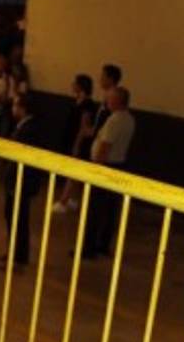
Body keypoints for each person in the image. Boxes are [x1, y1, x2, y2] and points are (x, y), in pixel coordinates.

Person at [56, 63, 121, 214]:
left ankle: (64, 200)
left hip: (95, 142)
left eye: (103, 76)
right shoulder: (103, 100)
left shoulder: (99, 103)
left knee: (76, 170)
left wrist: (88, 134)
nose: (100, 79)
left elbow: (95, 124)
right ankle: (73, 200)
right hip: (91, 138)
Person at [82, 86, 136, 258]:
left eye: (110, 98)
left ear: (118, 101)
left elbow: (105, 146)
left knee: (95, 209)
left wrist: (96, 168)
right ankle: (103, 244)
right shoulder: (129, 119)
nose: (107, 101)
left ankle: (88, 248)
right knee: (110, 209)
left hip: (105, 166)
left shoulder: (115, 120)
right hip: (119, 165)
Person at [0, 94, 46, 268]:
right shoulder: (27, 127)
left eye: (15, 105)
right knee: (14, 217)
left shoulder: (28, 129)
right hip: (19, 180)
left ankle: (18, 255)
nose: (13, 109)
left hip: (20, 181)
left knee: (17, 218)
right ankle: (16, 252)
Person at [52, 74, 99, 211]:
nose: (72, 84)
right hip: (71, 139)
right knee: (75, 172)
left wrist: (77, 144)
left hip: (79, 142)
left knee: (72, 172)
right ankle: (74, 199)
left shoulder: (87, 104)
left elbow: (84, 126)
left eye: (75, 83)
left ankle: (63, 201)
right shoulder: (78, 101)